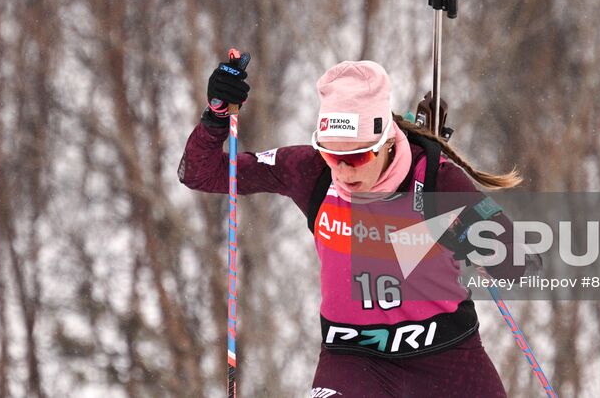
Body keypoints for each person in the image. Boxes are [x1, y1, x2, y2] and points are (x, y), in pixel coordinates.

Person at [178, 57, 528, 397]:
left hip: (446, 355)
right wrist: (216, 117)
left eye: (358, 157)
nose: (343, 172)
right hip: (352, 360)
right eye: (332, 156)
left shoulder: (438, 181)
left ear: (386, 141)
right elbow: (200, 174)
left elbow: (518, 264)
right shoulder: (311, 172)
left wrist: (476, 240)